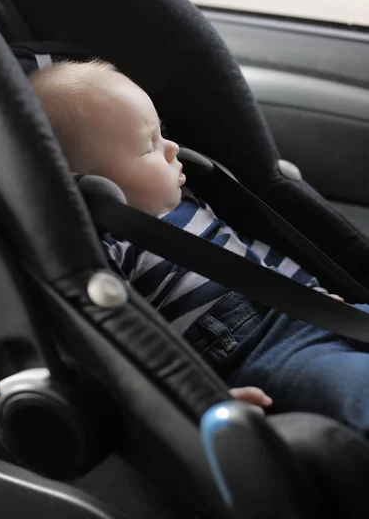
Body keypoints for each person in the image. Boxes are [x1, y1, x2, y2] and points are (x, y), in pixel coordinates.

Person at [29, 59, 369, 438]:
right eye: (149, 146)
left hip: (311, 315)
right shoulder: (108, 249)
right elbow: (132, 346)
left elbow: (253, 256)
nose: (173, 148)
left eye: (164, 134)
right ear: (85, 183)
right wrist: (200, 397)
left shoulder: (190, 202)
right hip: (259, 352)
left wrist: (316, 298)